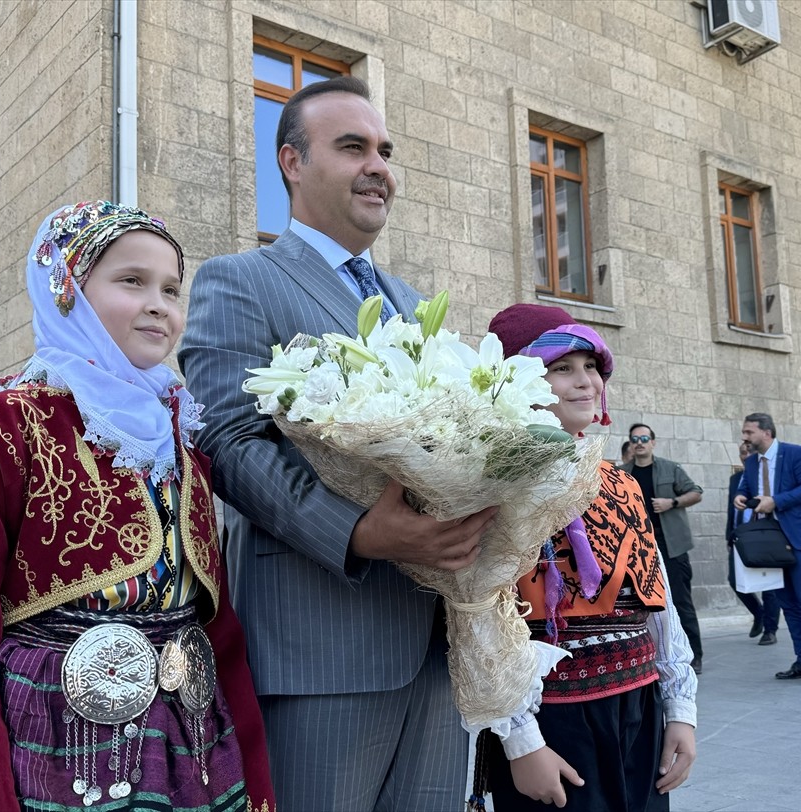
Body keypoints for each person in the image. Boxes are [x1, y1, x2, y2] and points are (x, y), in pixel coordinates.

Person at [0, 202, 275, 812]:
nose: (158, 304)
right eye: (131, 281)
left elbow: (215, 628)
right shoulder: (0, 430)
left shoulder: (182, 439)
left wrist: (253, 771)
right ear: (67, 290)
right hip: (56, 738)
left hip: (192, 740)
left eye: (172, 288)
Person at [179, 76, 494, 811]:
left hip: (437, 649)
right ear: (291, 161)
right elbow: (225, 440)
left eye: (384, 150)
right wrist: (357, 532)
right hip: (320, 648)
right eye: (352, 147)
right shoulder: (241, 283)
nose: (377, 165)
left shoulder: (416, 307)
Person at [478, 304, 697, 812]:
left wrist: (680, 707)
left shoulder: (618, 482)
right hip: (553, 719)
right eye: (562, 368)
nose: (586, 382)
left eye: (591, 367)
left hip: (638, 707)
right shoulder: (491, 483)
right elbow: (479, 618)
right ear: (520, 382)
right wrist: (522, 741)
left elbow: (654, 597)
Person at [734, 413, 801, 685]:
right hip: (772, 541)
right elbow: (745, 486)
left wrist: (775, 501)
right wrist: (740, 497)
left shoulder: (797, 454)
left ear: (766, 432)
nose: (745, 437)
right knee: (787, 602)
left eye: (749, 432)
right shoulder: (752, 462)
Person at [619, 424, 705, 674]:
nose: (639, 442)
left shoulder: (670, 468)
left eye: (644, 438)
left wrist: (672, 502)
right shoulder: (622, 473)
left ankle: (695, 655)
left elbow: (696, 492)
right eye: (635, 439)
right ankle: (651, 656)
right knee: (642, 603)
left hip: (671, 545)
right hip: (637, 549)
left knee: (681, 601)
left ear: (653, 442)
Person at [726, 440, 780, 645]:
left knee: (769, 584)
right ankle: (759, 613)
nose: (746, 455)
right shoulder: (735, 479)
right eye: (742, 452)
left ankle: (770, 630)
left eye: (750, 451)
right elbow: (730, 510)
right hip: (740, 535)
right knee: (734, 580)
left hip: (765, 534)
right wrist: (728, 536)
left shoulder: (766, 475)